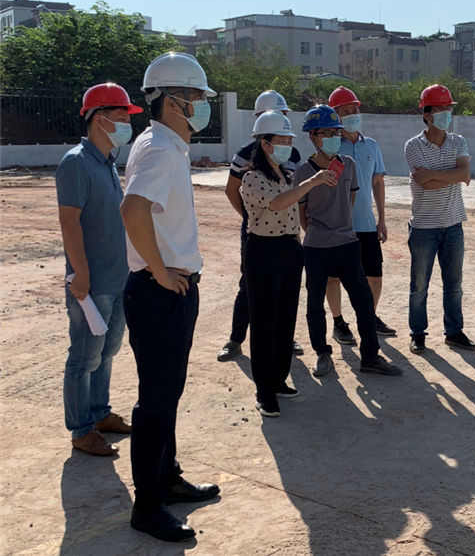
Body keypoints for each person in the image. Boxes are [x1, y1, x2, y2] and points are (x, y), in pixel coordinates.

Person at [119, 52, 220, 542]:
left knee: (167, 392)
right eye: (197, 96)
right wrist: (159, 271)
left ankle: (168, 479)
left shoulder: (163, 145)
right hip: (160, 291)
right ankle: (148, 505)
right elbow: (132, 209)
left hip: (167, 289)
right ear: (174, 100)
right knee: (156, 401)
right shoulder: (160, 149)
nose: (202, 105)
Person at [56, 83, 141, 456]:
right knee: (84, 357)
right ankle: (81, 429)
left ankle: (100, 412)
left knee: (106, 352)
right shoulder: (76, 162)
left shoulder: (106, 163)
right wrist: (81, 274)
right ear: (99, 118)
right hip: (92, 283)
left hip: (117, 277)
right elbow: (69, 221)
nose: (126, 123)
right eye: (121, 116)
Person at [294, 105, 402, 378]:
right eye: (326, 133)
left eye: (335, 132)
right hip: (316, 248)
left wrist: (340, 228)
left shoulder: (348, 165)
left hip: (347, 244)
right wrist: (320, 232)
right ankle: (322, 353)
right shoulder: (303, 173)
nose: (332, 137)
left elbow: (349, 200)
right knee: (315, 305)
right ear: (313, 136)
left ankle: (370, 357)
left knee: (363, 302)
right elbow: (302, 214)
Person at [241, 111, 336, 417]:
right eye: (280, 140)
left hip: (289, 249)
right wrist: (313, 181)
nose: (286, 146)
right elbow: (277, 203)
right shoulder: (252, 177)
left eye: (288, 140)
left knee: (285, 319)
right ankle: (264, 390)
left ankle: (279, 378)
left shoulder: (284, 175)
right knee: (264, 322)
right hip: (263, 251)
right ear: (265, 144)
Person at [218, 90, 304, 361]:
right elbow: (232, 189)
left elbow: (293, 193)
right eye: (275, 115)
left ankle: (284, 338)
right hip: (258, 235)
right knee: (250, 285)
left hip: (287, 235)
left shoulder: (293, 152)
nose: (281, 120)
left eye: (283, 114)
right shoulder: (245, 154)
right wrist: (251, 217)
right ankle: (236, 339)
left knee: (284, 290)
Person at [403, 84, 475, 355]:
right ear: (427, 113)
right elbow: (425, 184)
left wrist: (435, 174)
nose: (446, 112)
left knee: (454, 285)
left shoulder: (458, 141)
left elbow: (465, 175)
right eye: (440, 108)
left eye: (448, 107)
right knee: (419, 286)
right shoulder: (413, 146)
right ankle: (417, 333)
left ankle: (454, 332)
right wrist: (452, 175)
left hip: (453, 225)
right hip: (424, 227)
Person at [324, 86, 396, 343]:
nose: (353, 115)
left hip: (366, 224)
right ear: (335, 115)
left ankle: (369, 317)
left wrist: (382, 219)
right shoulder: (331, 148)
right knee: (333, 277)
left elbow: (377, 182)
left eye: (354, 110)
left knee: (374, 276)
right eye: (346, 111)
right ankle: (338, 322)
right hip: (339, 226)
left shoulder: (371, 145)